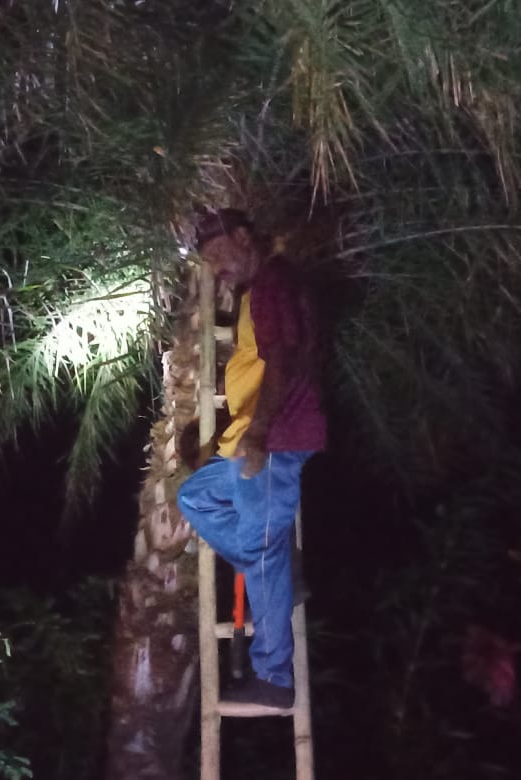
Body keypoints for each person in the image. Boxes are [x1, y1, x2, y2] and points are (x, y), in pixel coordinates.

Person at [177, 208, 326, 709]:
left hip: (271, 440)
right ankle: (277, 573)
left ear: (244, 237)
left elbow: (282, 359)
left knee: (263, 555)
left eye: (220, 253)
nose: (217, 268)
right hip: (249, 437)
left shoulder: (271, 283)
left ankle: (275, 678)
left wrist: (260, 433)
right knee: (195, 496)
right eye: (208, 261)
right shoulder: (257, 291)